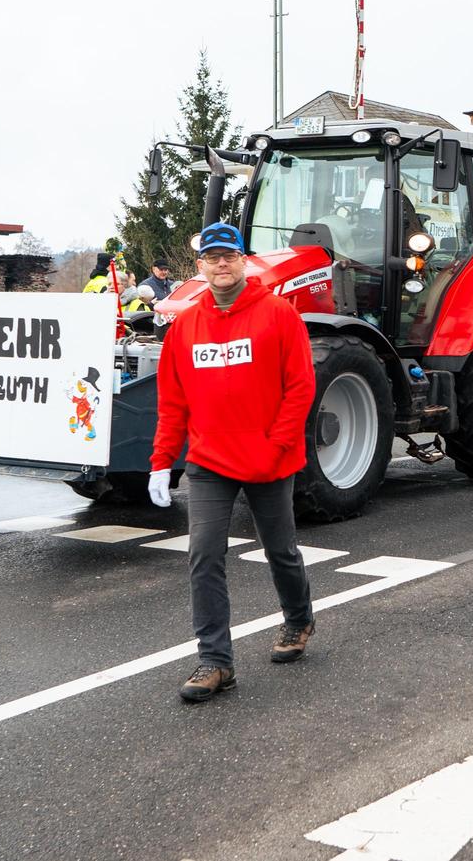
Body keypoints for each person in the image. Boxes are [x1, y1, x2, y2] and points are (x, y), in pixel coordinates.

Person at [150, 222, 317, 704]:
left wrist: (276, 446)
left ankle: (299, 618)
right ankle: (216, 662)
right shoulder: (186, 326)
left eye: (229, 257)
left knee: (280, 551)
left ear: (243, 261)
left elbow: (300, 387)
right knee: (204, 554)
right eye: (212, 258)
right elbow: (173, 401)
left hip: (268, 459)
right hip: (209, 461)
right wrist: (162, 460)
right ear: (200, 265)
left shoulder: (278, 315)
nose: (221, 265)